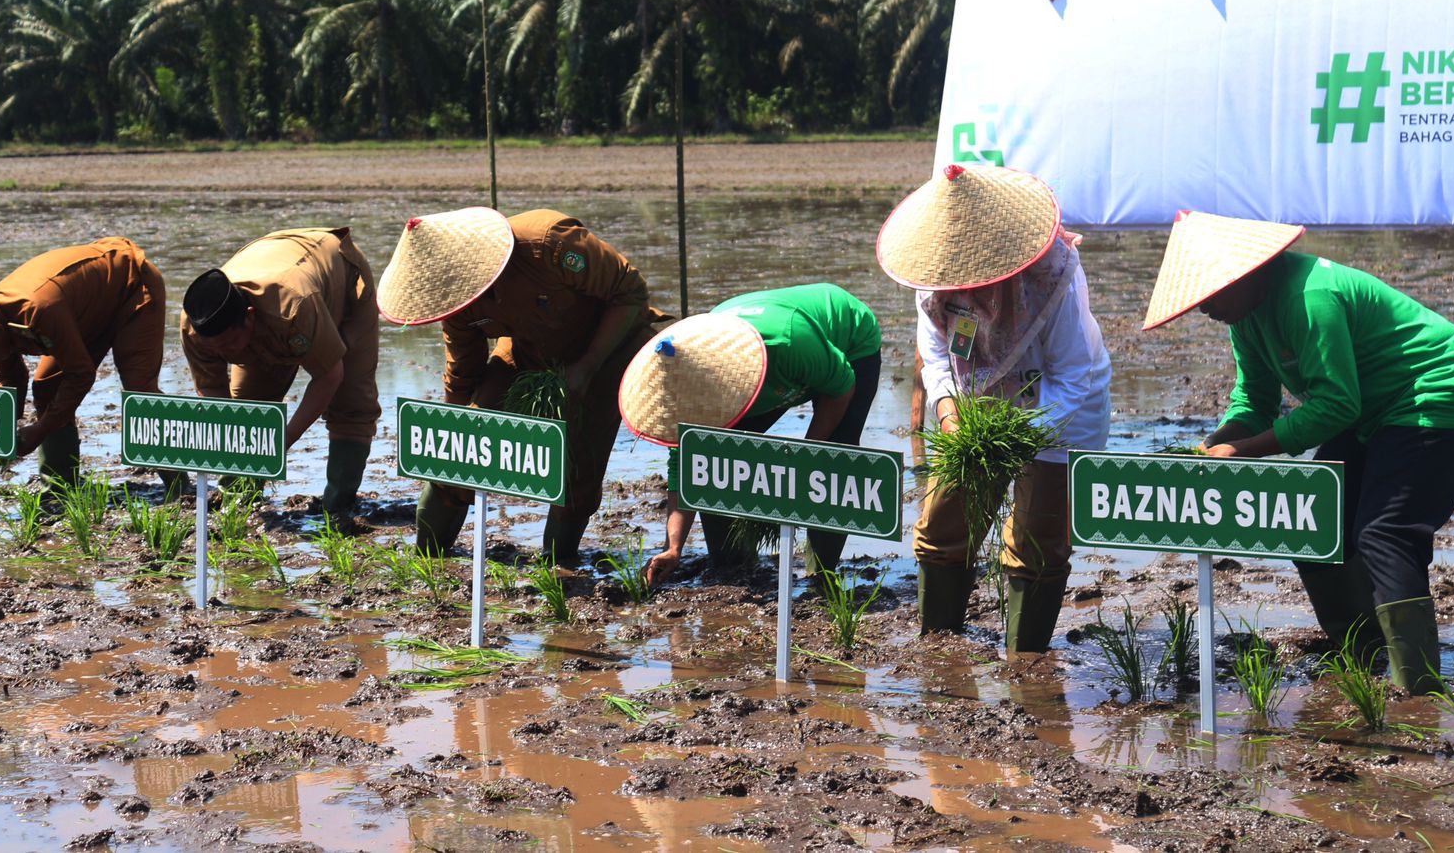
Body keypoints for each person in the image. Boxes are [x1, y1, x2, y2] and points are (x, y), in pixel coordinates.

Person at [1143, 210, 1454, 693]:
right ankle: (1362, 656)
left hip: (1436, 393)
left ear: (1247, 273)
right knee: (1315, 522)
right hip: (1373, 411)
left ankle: (1416, 687)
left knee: (1386, 533)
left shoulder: (1309, 295)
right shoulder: (1247, 314)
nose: (1203, 309)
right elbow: (1254, 400)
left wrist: (1246, 451)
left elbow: (1336, 404)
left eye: (1210, 295)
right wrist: (1217, 443)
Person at [878, 163, 1110, 651]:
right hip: (977, 402)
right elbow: (938, 357)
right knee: (942, 523)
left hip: (1060, 408)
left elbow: (1072, 375)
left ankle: (1026, 660)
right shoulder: (936, 277)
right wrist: (949, 415)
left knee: (1036, 540)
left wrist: (1018, 441)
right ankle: (940, 646)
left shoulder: (1054, 277)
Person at [376, 207, 670, 566]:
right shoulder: (455, 299)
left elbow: (630, 293)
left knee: (578, 459)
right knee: (462, 443)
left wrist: (586, 367)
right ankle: (428, 557)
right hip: (527, 350)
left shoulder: (548, 244)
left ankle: (558, 563)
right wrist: (449, 428)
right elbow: (463, 369)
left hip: (606, 349)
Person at [621, 283, 883, 586]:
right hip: (785, 357)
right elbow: (688, 471)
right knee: (713, 455)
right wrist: (673, 547)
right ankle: (733, 564)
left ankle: (821, 571)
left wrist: (809, 451)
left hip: (846, 342)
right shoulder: (688, 395)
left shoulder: (787, 342)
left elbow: (841, 387)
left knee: (832, 460)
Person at [0, 237, 173, 493]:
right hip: (85, 310)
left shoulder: (39, 310)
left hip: (131, 286)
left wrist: (39, 430)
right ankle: (61, 487)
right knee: (48, 387)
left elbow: (80, 375)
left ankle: (177, 483)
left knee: (139, 390)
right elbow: (12, 376)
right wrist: (3, 428)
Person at [181, 227, 380, 525]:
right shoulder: (195, 328)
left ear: (249, 317)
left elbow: (329, 376)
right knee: (249, 408)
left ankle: (338, 504)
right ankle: (238, 500)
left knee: (352, 401)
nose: (225, 356)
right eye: (216, 350)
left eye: (229, 345)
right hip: (270, 257)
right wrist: (239, 439)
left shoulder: (294, 306)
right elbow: (216, 397)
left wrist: (280, 443)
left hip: (338, 277)